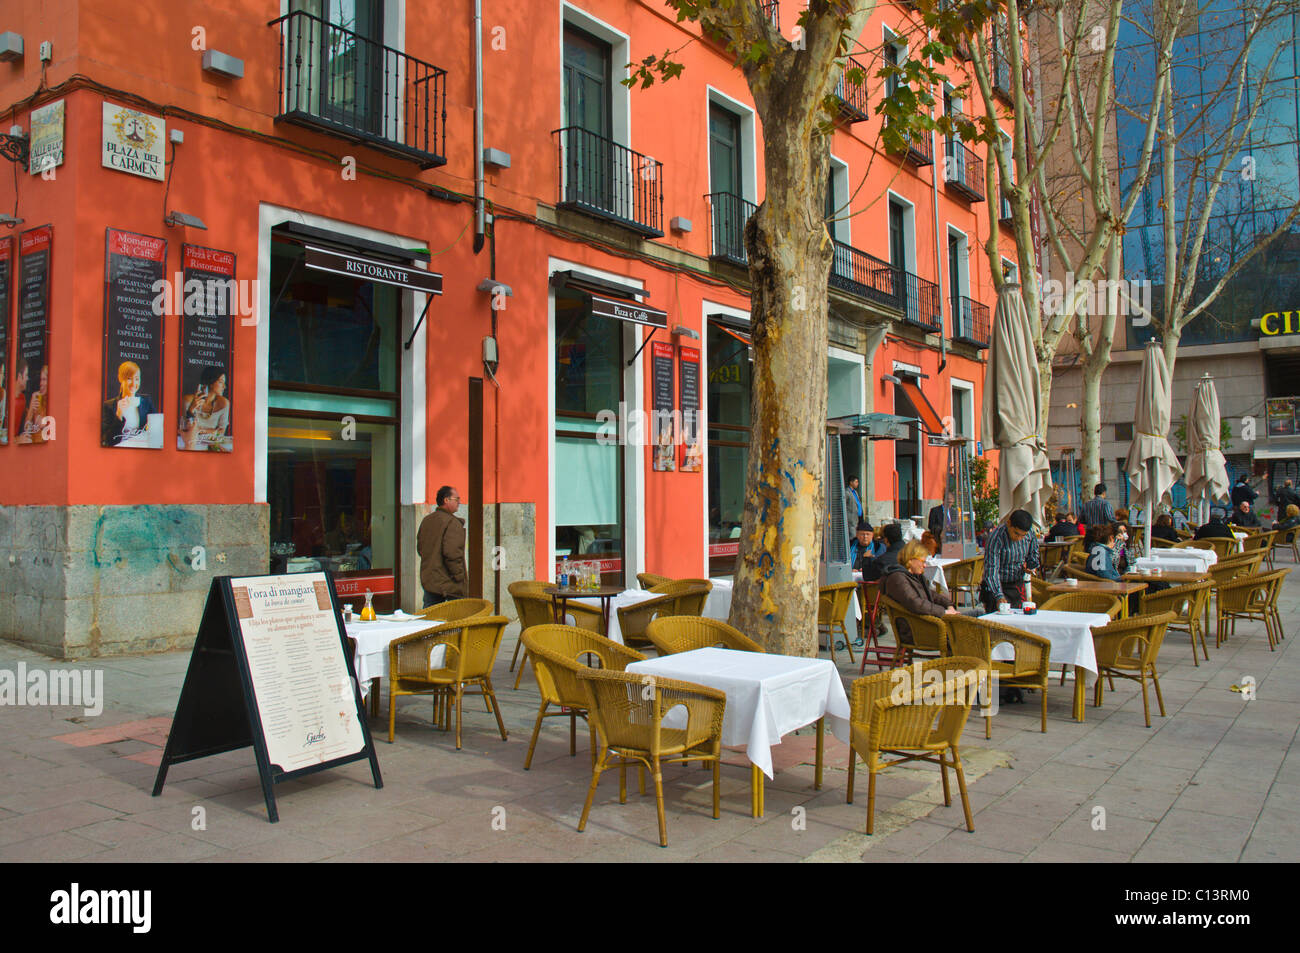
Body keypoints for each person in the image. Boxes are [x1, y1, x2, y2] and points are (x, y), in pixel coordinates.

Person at [979, 509, 1040, 612]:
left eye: (1023, 535)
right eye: (1016, 533)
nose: (1019, 538)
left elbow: (1034, 554)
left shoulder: (1030, 533)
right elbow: (991, 570)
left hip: (1017, 584)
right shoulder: (996, 538)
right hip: (997, 586)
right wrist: (999, 596)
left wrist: (1031, 565)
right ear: (1009, 524)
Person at [882, 540, 959, 619]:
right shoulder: (897, 578)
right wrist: (944, 612)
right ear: (911, 560)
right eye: (923, 561)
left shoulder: (913, 576)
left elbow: (931, 594)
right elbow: (914, 603)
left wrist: (948, 604)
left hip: (928, 621)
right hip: (919, 626)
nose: (925, 565)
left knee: (972, 615)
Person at [418, 486, 467, 608]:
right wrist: (459, 576)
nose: (459, 502)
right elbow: (453, 553)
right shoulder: (452, 523)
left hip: (429, 579)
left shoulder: (427, 520)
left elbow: (420, 548)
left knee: (429, 618)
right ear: (446, 500)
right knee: (456, 618)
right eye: (457, 499)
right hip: (448, 582)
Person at [102, 361, 156, 447]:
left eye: (137, 379)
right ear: (120, 379)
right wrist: (119, 415)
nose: (134, 383)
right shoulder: (109, 405)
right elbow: (108, 441)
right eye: (129, 379)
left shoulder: (146, 401)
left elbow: (156, 432)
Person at [179, 366, 230, 450]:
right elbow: (185, 429)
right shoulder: (188, 400)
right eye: (221, 382)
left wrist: (199, 430)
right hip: (190, 445)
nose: (224, 387)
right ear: (211, 382)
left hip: (211, 445)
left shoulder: (224, 403)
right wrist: (191, 410)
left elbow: (221, 433)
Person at [10, 357, 27, 443]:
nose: (27, 379)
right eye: (26, 375)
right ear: (19, 377)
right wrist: (17, 439)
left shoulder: (22, 399)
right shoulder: (6, 400)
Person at [844, 476, 863, 546]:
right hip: (851, 519)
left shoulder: (855, 492)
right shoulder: (847, 492)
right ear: (851, 482)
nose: (857, 484)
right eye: (856, 482)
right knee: (853, 536)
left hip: (858, 517)